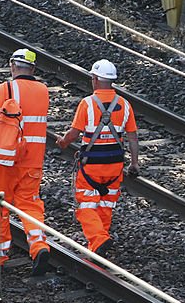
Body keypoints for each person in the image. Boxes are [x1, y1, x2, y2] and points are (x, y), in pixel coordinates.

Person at [56, 59, 140, 256]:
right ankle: (97, 248)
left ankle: (99, 239)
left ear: (94, 79)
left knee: (86, 205)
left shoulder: (87, 104)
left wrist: (63, 142)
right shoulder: (125, 105)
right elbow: (133, 137)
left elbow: (74, 133)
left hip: (91, 166)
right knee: (106, 204)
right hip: (115, 166)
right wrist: (135, 163)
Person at [0, 48, 51, 275]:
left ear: (12, 65)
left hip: (5, 160)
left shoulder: (6, 88)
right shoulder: (43, 91)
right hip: (33, 161)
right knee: (30, 204)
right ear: (33, 68)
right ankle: (39, 246)